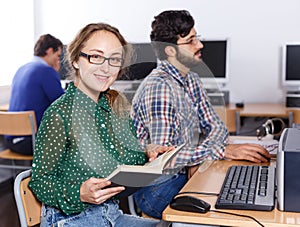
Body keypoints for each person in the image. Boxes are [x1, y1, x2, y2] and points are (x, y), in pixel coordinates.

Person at [130, 10, 271, 219]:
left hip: (186, 170)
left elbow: (217, 127)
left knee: (239, 186)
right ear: (170, 50)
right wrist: (221, 152)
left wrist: (205, 155)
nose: (200, 45)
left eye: (197, 38)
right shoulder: (159, 88)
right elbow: (164, 159)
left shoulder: (191, 79)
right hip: (157, 188)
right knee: (227, 206)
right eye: (191, 41)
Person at [28, 23, 171, 227]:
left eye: (114, 60)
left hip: (110, 215)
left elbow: (129, 164)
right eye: (96, 56)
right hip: (71, 220)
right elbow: (39, 182)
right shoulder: (59, 114)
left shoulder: (116, 105)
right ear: (77, 60)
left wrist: (148, 151)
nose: (106, 68)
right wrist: (79, 193)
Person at [5, 34, 65, 155]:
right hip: (31, 142)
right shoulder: (46, 71)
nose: (58, 60)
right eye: (58, 55)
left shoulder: (21, 69)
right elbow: (64, 103)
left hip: (12, 140)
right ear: (49, 51)